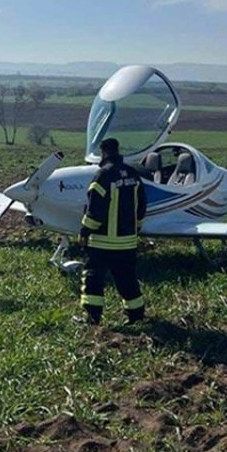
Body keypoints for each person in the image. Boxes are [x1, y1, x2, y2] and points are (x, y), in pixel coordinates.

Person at [77, 138, 148, 325]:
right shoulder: (133, 175)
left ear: (104, 152)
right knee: (128, 280)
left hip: (102, 242)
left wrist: (84, 231)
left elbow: (95, 211)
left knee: (93, 279)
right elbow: (142, 205)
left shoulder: (103, 176)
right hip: (127, 242)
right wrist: (136, 227)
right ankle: (136, 316)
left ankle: (92, 317)